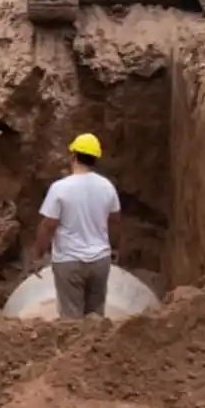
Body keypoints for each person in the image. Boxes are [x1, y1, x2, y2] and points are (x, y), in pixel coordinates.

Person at [34, 133, 121, 319]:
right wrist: (113, 248)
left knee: (71, 322)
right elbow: (115, 221)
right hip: (100, 260)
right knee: (96, 318)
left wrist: (39, 254)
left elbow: (49, 225)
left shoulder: (60, 188)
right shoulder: (107, 187)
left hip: (69, 261)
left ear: (73, 156)